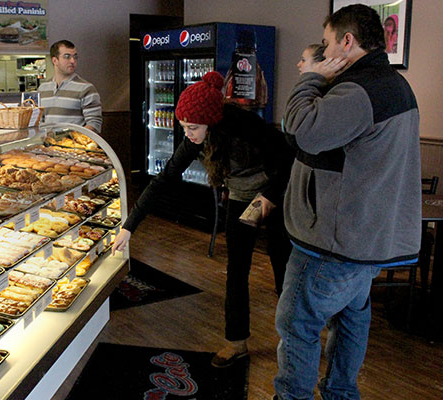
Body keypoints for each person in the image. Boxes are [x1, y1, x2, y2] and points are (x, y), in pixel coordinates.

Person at [274, 4, 420, 399]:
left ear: (348, 41)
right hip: (367, 240)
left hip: (333, 243)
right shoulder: (394, 85)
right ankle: (340, 394)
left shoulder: (358, 90)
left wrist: (308, 80)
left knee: (298, 325)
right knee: (353, 320)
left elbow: (302, 132)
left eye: (327, 44)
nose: (322, 54)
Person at [112, 71, 294, 368]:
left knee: (282, 265)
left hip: (274, 192)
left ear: (212, 121)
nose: (188, 134)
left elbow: (289, 159)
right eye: (184, 127)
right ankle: (236, 342)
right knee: (236, 269)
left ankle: (294, 338)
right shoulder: (196, 136)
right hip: (240, 197)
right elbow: (164, 179)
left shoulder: (246, 125)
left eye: (193, 127)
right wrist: (129, 226)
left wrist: (270, 196)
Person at [37, 40, 102, 133]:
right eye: (67, 57)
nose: (72, 61)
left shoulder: (86, 88)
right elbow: (39, 121)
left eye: (75, 57)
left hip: (74, 146)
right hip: (48, 146)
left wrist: (71, 140)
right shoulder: (42, 88)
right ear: (55, 60)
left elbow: (94, 123)